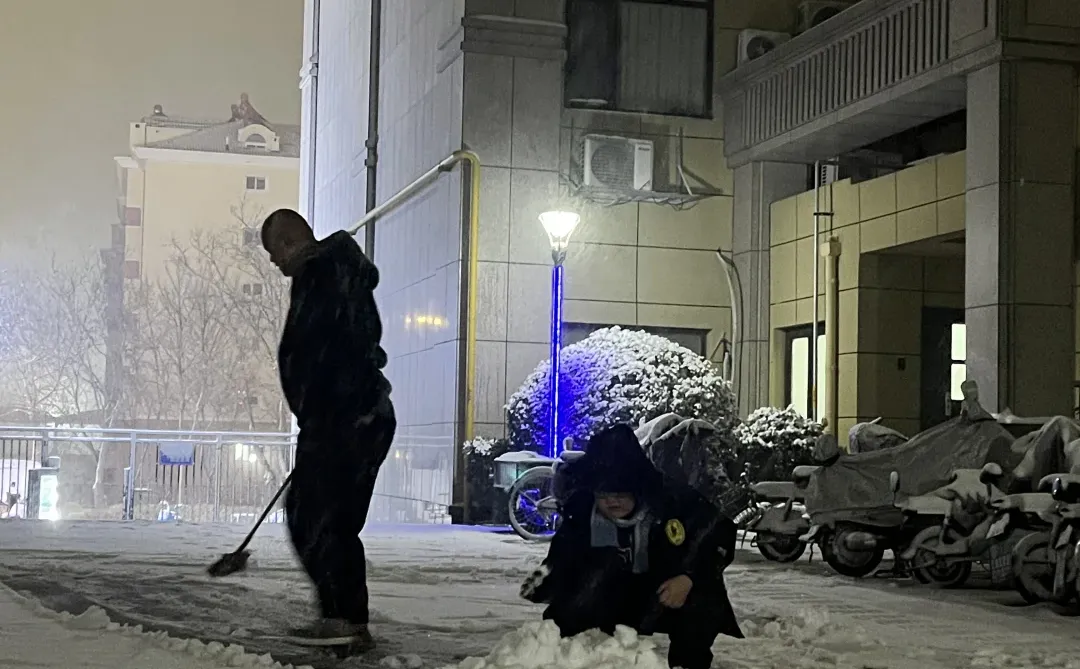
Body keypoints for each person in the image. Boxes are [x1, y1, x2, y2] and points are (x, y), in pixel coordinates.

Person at [261, 209, 395, 650]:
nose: (274, 263)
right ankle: (342, 614)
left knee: (321, 519)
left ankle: (344, 618)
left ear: (286, 242)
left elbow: (320, 350)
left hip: (345, 419)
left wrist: (324, 412)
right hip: (347, 416)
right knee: (318, 515)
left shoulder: (320, 275)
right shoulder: (336, 273)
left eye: (272, 252)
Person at [520, 424, 742, 669]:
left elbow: (718, 535)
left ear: (638, 488)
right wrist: (546, 582)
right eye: (604, 494)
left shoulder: (673, 500)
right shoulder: (583, 510)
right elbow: (563, 557)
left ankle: (688, 663)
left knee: (703, 596)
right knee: (568, 606)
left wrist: (689, 577)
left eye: (621, 493)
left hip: (666, 591)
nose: (612, 501)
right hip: (612, 591)